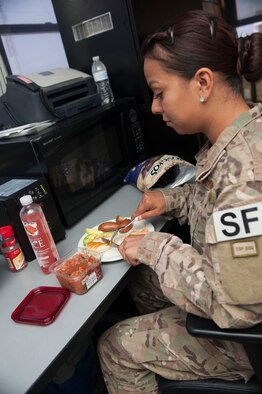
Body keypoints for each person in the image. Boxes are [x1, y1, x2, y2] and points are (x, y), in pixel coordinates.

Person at [97, 10, 262, 393]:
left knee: (114, 346)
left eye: (159, 92)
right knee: (141, 281)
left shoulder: (245, 179)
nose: (155, 107)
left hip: (244, 333)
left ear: (202, 82)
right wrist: (170, 199)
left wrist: (156, 246)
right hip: (236, 290)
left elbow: (236, 309)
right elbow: (213, 199)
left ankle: (164, 357)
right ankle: (174, 366)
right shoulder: (244, 132)